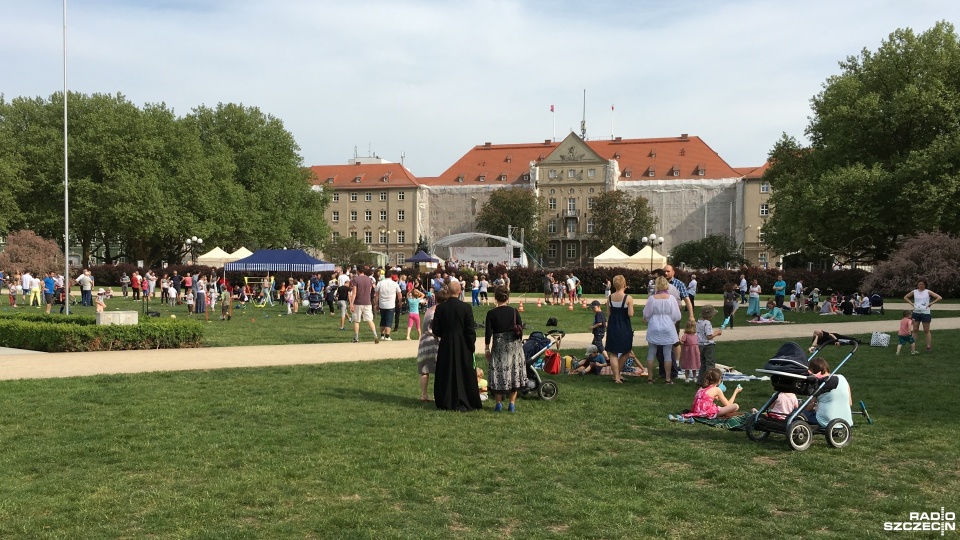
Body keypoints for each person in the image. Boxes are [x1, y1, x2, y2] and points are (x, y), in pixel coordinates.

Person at [432, 281, 481, 411]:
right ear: (459, 292)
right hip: (463, 343)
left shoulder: (441, 308)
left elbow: (436, 330)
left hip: (446, 343)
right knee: (464, 371)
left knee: (446, 371)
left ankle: (446, 399)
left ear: (447, 291)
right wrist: (471, 345)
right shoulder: (465, 308)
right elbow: (470, 329)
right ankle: (466, 398)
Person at [483, 287, 526, 413]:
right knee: (514, 372)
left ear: (495, 298)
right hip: (514, 346)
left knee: (498, 372)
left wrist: (486, 348)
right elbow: (520, 329)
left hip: (499, 346)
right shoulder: (514, 311)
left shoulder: (491, 314)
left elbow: (488, 333)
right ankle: (512, 404)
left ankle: (498, 403)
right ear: (507, 297)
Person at [643, 276, 681, 385]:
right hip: (668, 325)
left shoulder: (652, 298)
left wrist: (652, 319)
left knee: (651, 353)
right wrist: (669, 320)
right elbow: (677, 315)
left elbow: (646, 314)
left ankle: (650, 378)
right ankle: (668, 378)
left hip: (654, 325)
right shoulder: (671, 298)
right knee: (667, 353)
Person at [669, 368, 742, 422]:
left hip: (696, 411)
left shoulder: (702, 387)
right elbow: (728, 404)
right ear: (719, 379)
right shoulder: (717, 390)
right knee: (736, 406)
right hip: (708, 413)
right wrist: (735, 392)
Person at [802, 357, 853, 428]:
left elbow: (810, 406)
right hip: (845, 421)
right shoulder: (842, 378)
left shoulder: (820, 383)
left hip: (825, 421)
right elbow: (849, 403)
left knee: (802, 414)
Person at [604, 274, 635, 384]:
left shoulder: (609, 298)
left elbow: (608, 313)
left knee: (613, 352)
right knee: (626, 350)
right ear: (624, 284)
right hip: (624, 326)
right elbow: (630, 314)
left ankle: (616, 376)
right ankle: (618, 374)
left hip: (613, 325)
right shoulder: (628, 298)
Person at [417, 288, 445, 401]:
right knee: (439, 369)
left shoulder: (429, 310)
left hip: (424, 340)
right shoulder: (440, 311)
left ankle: (424, 395)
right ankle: (440, 395)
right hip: (434, 340)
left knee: (425, 370)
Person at [905, 280, 941, 352]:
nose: (921, 285)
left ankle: (928, 346)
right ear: (918, 285)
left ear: (925, 285)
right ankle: (912, 345)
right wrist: (912, 304)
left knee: (926, 330)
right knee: (915, 330)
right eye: (920, 284)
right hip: (916, 312)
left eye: (922, 284)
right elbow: (906, 297)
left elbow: (939, 297)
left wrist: (931, 303)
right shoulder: (914, 292)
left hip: (925, 313)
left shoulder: (928, 292)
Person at [349, 268, 379, 344]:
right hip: (367, 302)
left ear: (358, 272)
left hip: (358, 302)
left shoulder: (356, 279)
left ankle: (356, 338)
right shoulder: (369, 279)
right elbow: (369, 290)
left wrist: (351, 303)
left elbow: (354, 292)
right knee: (369, 320)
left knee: (357, 321)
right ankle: (375, 335)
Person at [696, 305, 722, 385]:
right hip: (708, 345)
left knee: (703, 364)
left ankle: (700, 381)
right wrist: (717, 333)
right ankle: (710, 381)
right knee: (710, 364)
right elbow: (709, 336)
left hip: (700, 345)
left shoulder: (699, 321)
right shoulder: (707, 323)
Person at [374, 271, 402, 341]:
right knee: (389, 320)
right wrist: (400, 302)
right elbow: (399, 294)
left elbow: (376, 294)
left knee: (383, 319)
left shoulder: (380, 283)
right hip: (390, 304)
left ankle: (382, 335)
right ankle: (387, 336)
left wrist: (376, 303)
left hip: (382, 303)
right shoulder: (394, 283)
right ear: (391, 276)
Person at [679, 319, 700, 383]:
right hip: (687, 352)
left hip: (694, 352)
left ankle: (694, 377)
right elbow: (682, 342)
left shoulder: (696, 335)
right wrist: (679, 340)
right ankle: (687, 377)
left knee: (694, 365)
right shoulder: (685, 335)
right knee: (687, 365)